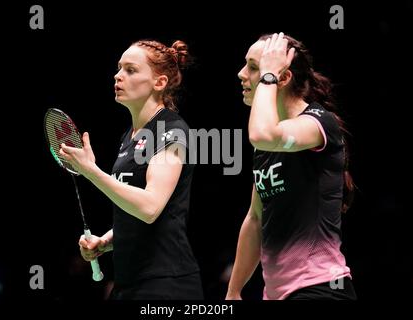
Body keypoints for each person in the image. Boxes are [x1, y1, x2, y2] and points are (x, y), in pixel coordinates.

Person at [59, 39, 203, 300]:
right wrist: (106, 242)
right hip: (129, 282)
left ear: (159, 83)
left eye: (131, 70)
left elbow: (150, 208)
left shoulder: (171, 130)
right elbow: (136, 212)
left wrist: (91, 171)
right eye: (119, 68)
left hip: (165, 285)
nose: (118, 75)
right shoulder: (131, 136)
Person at [226, 32, 357, 300]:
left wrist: (268, 75)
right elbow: (255, 218)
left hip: (320, 288)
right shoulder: (266, 147)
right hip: (276, 294)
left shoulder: (319, 123)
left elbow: (262, 134)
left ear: (283, 78)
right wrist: (233, 291)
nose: (241, 74)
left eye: (254, 67)